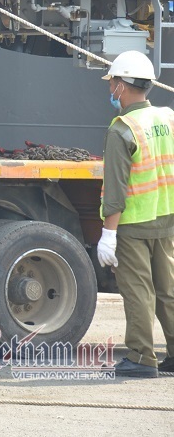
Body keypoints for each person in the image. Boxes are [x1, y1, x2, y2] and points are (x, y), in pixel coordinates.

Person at [96, 50, 174, 378]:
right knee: (168, 290)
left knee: (138, 291)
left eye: (111, 82)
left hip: (133, 224)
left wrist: (108, 235)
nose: (109, 88)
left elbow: (115, 190)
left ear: (122, 86)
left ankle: (142, 358)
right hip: (167, 217)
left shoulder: (122, 129)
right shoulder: (167, 117)